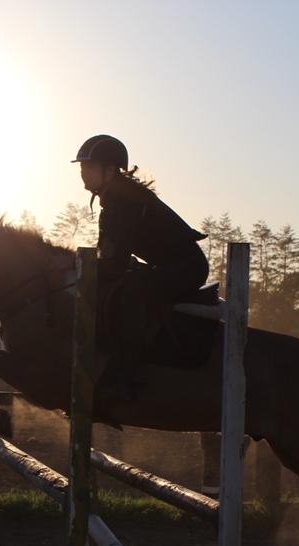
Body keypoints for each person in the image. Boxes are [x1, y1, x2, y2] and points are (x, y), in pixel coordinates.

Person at [73, 134, 209, 398]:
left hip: (185, 269)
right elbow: (110, 256)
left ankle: (127, 372)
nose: (82, 172)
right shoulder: (115, 199)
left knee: (130, 291)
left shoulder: (123, 202)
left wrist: (84, 270)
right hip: (171, 265)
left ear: (109, 170)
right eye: (82, 167)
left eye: (89, 166)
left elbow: (114, 263)